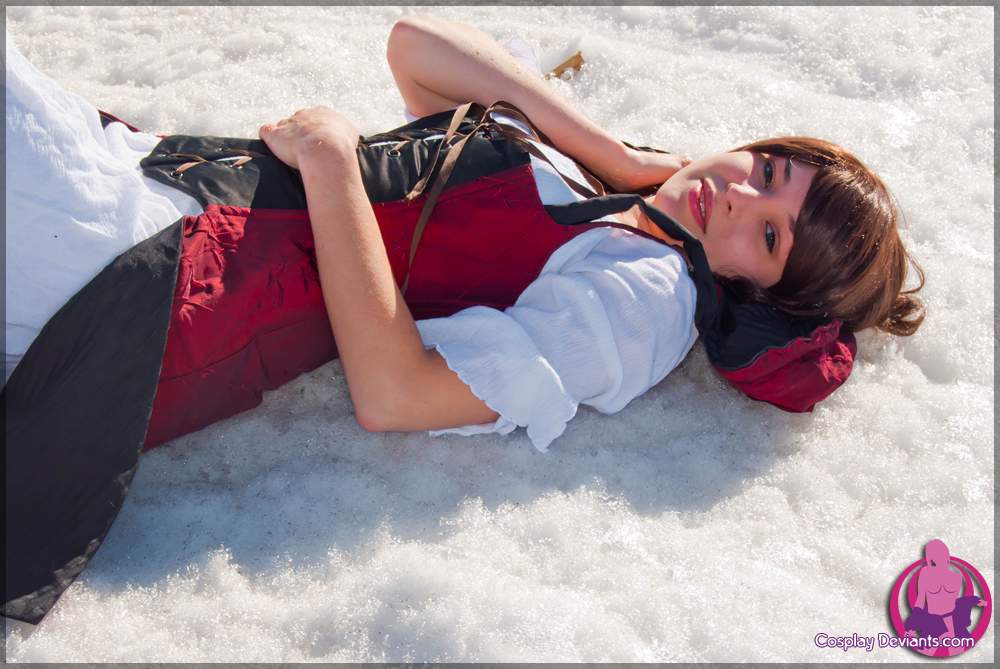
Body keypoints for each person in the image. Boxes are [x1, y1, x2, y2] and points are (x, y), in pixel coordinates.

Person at [3, 16, 926, 625]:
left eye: (768, 235)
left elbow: (396, 394)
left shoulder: (640, 305)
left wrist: (332, 164)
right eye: (765, 171)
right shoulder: (625, 199)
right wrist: (606, 151)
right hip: (154, 188)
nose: (735, 195)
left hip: (143, 273)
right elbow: (417, 49)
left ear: (758, 292)